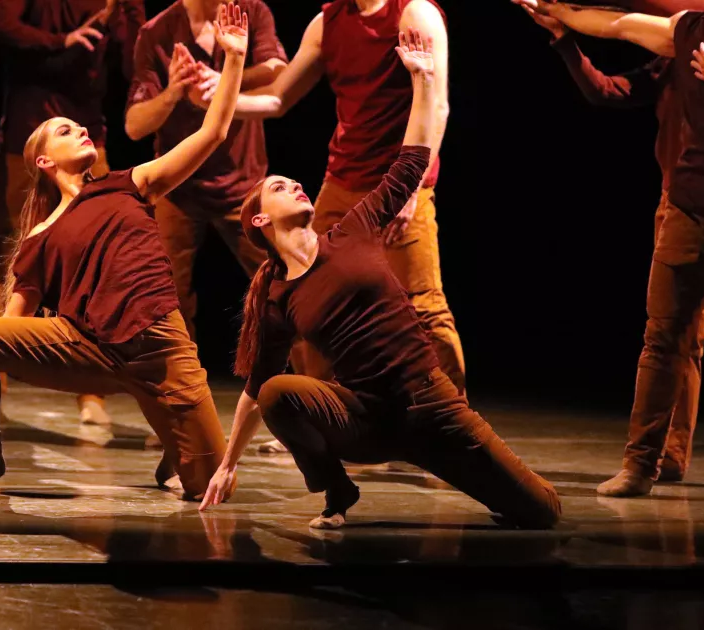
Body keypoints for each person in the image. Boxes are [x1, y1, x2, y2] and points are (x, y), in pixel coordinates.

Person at [198, 29, 562, 531]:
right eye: (281, 187)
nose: (297, 185)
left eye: (294, 181)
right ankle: (337, 490)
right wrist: (228, 463)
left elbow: (409, 163)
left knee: (541, 512)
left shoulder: (352, 231)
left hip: (430, 403)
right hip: (365, 418)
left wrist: (422, 81)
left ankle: (459, 466)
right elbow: (256, 387)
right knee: (279, 392)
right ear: (260, 221)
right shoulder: (279, 294)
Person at [0, 2, 249, 499]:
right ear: (44, 161)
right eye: (64, 130)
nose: (79, 128)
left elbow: (214, 132)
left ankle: (175, 450)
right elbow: (12, 326)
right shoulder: (39, 235)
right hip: (86, 347)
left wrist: (235, 60)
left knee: (206, 486)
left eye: (80, 126)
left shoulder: (131, 182)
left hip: (160, 344)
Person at [522, 0, 704, 497]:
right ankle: (640, 466)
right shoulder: (685, 29)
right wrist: (557, 15)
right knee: (663, 341)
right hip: (689, 208)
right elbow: (618, 25)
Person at [215, 0, 463, 403]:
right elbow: (278, 98)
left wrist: (413, 189)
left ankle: (453, 419)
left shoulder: (414, 12)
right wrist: (213, 97)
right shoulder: (326, 22)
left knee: (423, 308)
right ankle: (320, 409)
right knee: (308, 291)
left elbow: (438, 104)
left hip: (400, 181)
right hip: (344, 179)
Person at [0, 0, 145, 427]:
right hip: (28, 141)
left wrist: (128, 14)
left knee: (94, 270)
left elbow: (132, 68)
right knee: (15, 266)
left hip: (90, 141)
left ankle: (91, 391)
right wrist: (61, 40)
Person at [124, 0, 286, 343]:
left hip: (243, 184)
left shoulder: (251, 11)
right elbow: (134, 126)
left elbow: (278, 71)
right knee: (166, 301)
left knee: (285, 286)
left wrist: (227, 75)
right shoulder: (156, 32)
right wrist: (173, 92)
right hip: (178, 190)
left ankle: (307, 386)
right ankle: (179, 390)